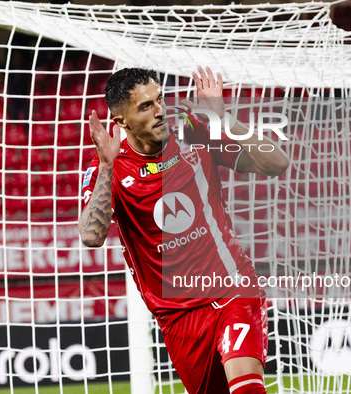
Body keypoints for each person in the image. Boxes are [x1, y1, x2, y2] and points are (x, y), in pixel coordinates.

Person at [79, 66, 289, 393]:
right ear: (121, 123)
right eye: (146, 106)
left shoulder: (193, 133)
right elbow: (91, 237)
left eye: (160, 100)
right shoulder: (109, 167)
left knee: (247, 388)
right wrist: (106, 166)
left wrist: (224, 119)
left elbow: (276, 163)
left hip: (232, 289)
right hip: (179, 318)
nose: (160, 111)